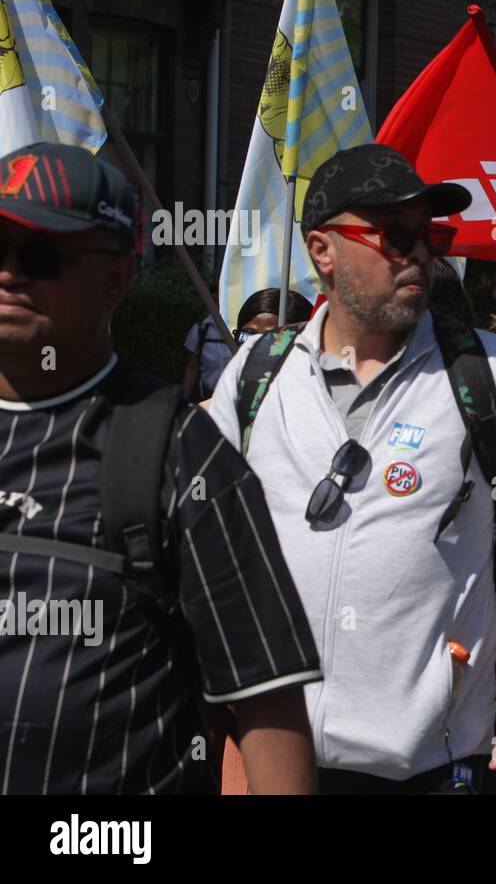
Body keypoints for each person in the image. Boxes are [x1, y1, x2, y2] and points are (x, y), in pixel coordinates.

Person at [209, 143, 496, 794]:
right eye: (395, 234)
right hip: (271, 753)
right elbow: (197, 530)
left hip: (429, 763)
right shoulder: (256, 373)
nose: (419, 253)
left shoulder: (493, 375)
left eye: (431, 235)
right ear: (322, 251)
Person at [0, 142, 320, 793]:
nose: (9, 273)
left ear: (116, 277)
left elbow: (267, 703)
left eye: (40, 255)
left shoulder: (177, 449)